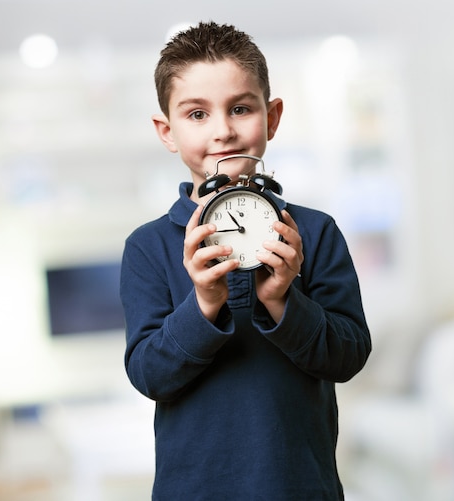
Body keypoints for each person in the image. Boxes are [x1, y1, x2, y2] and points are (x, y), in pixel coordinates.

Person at [120, 21, 371, 500]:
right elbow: (150, 375)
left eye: (240, 108)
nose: (224, 130)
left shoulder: (314, 233)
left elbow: (349, 356)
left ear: (272, 117)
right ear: (166, 131)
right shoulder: (147, 247)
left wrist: (282, 300)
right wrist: (203, 303)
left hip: (299, 486)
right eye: (196, 114)